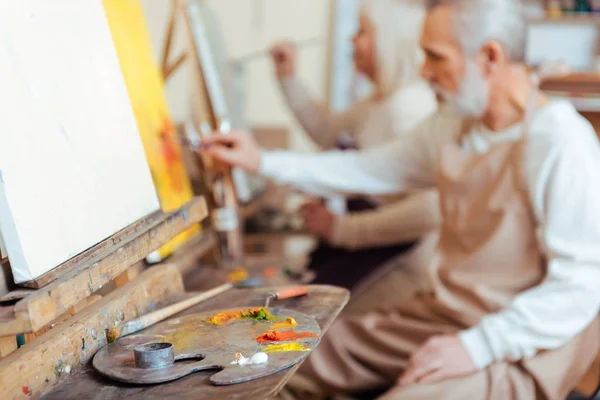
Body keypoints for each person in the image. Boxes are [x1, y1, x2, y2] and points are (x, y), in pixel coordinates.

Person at [199, 0, 600, 398]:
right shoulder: (452, 125)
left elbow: (580, 288)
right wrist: (260, 160)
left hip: (522, 341)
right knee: (281, 356)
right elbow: (366, 169)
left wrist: (478, 347)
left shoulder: (561, 142)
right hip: (444, 318)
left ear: (490, 57)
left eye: (434, 56)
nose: (424, 71)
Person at [269, 0, 440, 297]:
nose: (351, 40)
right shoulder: (380, 103)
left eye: (362, 32)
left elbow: (429, 208)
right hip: (376, 253)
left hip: (397, 264)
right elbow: (327, 130)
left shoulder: (407, 108)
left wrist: (341, 229)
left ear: (389, 41)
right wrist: (288, 77)